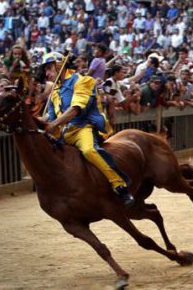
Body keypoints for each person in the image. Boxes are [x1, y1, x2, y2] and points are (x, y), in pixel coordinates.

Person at [41, 52, 134, 206]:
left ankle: (120, 185)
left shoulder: (82, 81)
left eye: (49, 68)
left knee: (89, 151)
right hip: (64, 132)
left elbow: (75, 109)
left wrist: (52, 125)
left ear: (59, 65)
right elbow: (49, 116)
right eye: (46, 70)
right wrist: (36, 122)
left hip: (82, 128)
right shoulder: (55, 91)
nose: (47, 73)